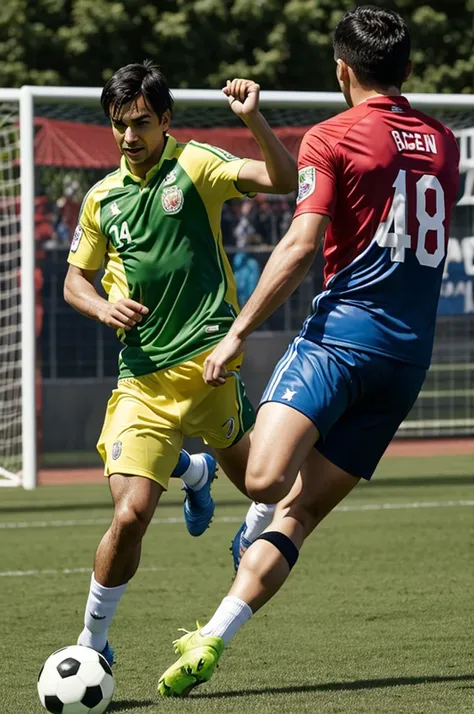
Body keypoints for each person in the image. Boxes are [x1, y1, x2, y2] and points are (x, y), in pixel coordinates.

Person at [157, 5, 460, 696]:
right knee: (299, 516)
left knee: (265, 482)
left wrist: (236, 335)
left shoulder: (333, 134)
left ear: (340, 70)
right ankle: (213, 636)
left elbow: (299, 245)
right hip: (407, 361)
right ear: (408, 70)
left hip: (341, 338)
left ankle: (210, 479)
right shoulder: (446, 143)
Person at [64, 61, 296, 665]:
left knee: (263, 486)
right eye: (119, 125)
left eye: (141, 123)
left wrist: (252, 119)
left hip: (209, 368)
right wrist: (102, 305)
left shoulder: (196, 165)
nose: (129, 136)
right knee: (132, 513)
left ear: (166, 120)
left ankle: (232, 507)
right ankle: (93, 645)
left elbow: (282, 178)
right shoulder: (100, 199)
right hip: (142, 381)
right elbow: (73, 282)